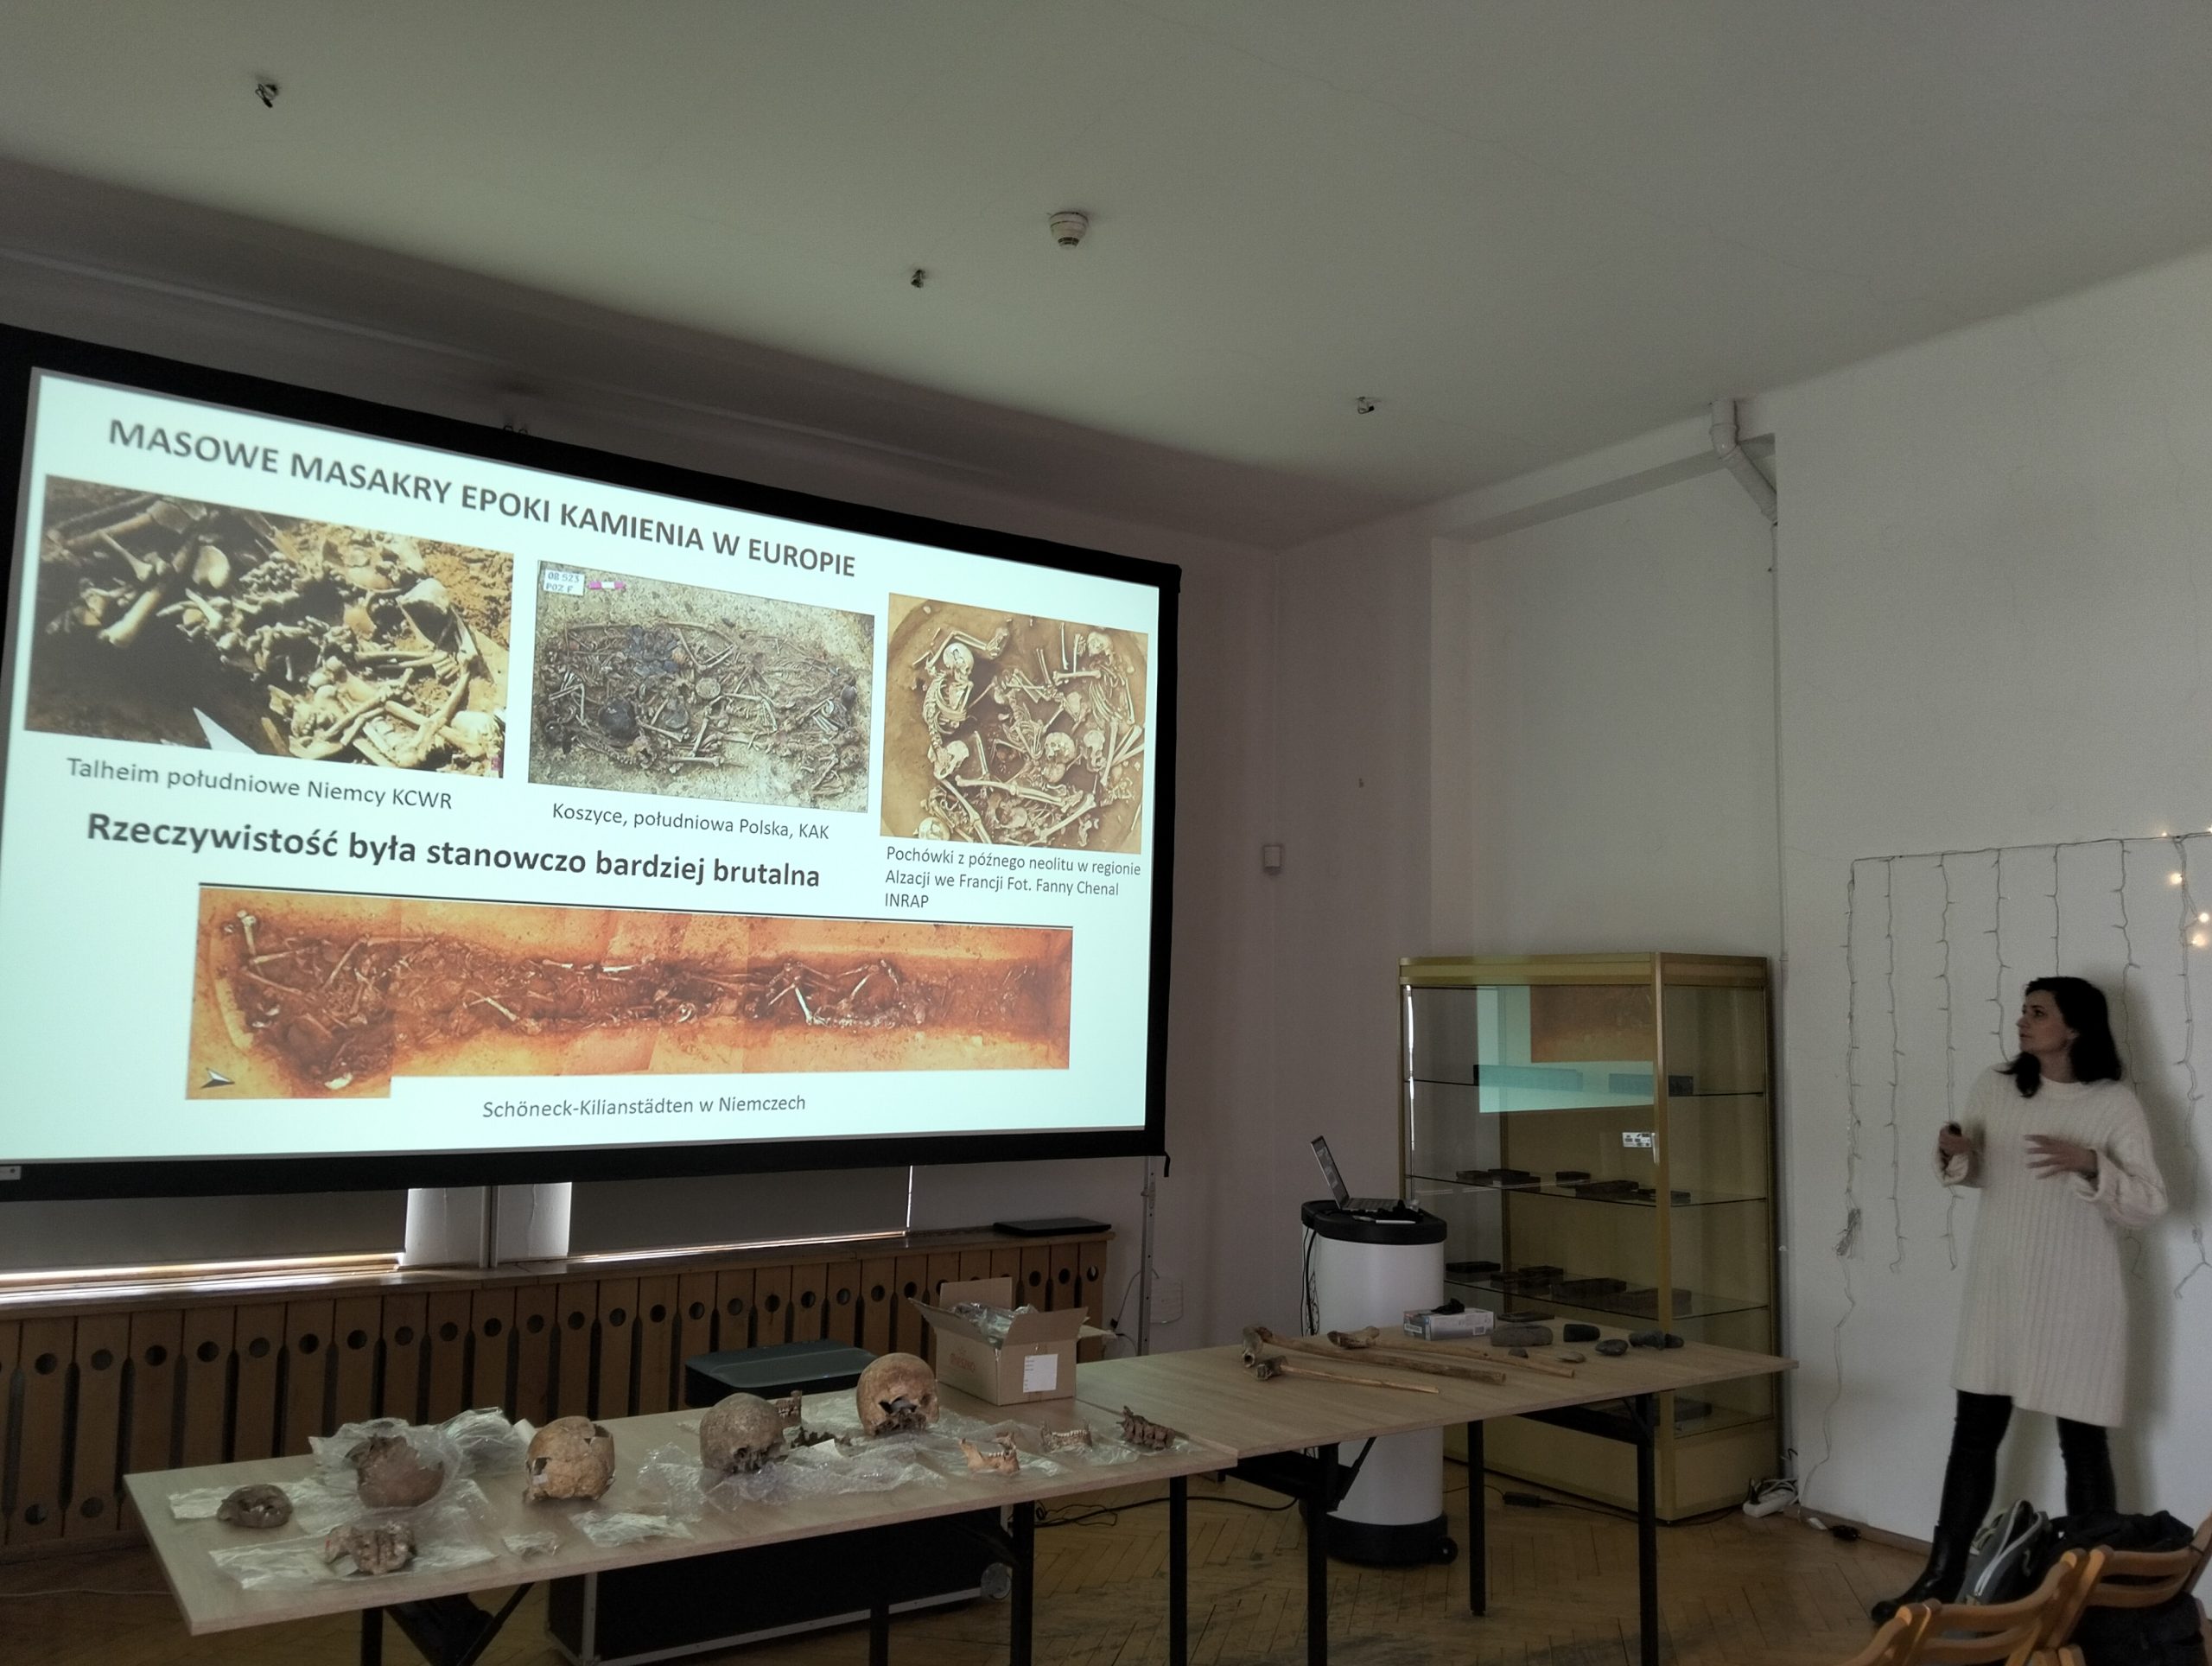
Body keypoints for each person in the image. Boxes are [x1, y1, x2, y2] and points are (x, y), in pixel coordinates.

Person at [1871, 976, 2167, 1623]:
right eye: (2023, 1010)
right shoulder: (1995, 1086)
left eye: (2038, 1012)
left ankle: (2092, 1602)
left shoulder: (2112, 1103)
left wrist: (2090, 1162)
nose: (2023, 1021)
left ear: (2076, 1027)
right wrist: (1957, 1154)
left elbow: (2149, 1202)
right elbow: (1983, 1174)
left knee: (2083, 1444)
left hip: (2078, 1297)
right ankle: (1940, 1579)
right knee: (1973, 1437)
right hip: (2001, 1290)